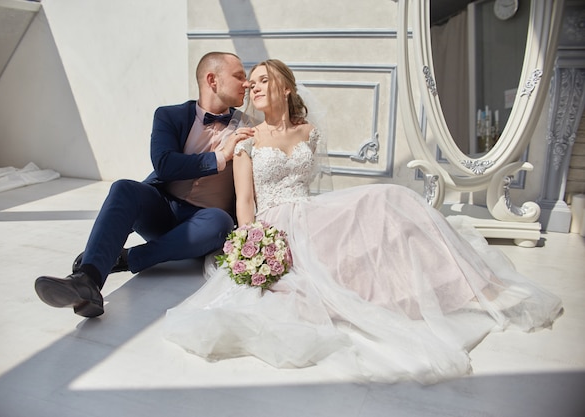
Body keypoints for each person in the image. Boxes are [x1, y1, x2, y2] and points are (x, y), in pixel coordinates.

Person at [161, 59, 563, 383]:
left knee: (392, 198)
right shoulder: (247, 138)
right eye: (252, 82)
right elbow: (245, 201)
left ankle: (480, 286)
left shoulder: (308, 131)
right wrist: (256, 248)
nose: (255, 87)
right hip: (274, 226)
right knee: (326, 278)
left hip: (310, 211)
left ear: (286, 87)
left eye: (265, 79)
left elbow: (312, 187)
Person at [34, 52, 255, 318]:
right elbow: (164, 164)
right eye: (239, 76)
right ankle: (86, 280)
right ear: (212, 80)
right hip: (161, 211)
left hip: (204, 226)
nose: (247, 84)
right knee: (124, 188)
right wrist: (220, 158)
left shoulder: (249, 127)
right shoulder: (169, 116)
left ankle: (127, 259)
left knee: (219, 221)